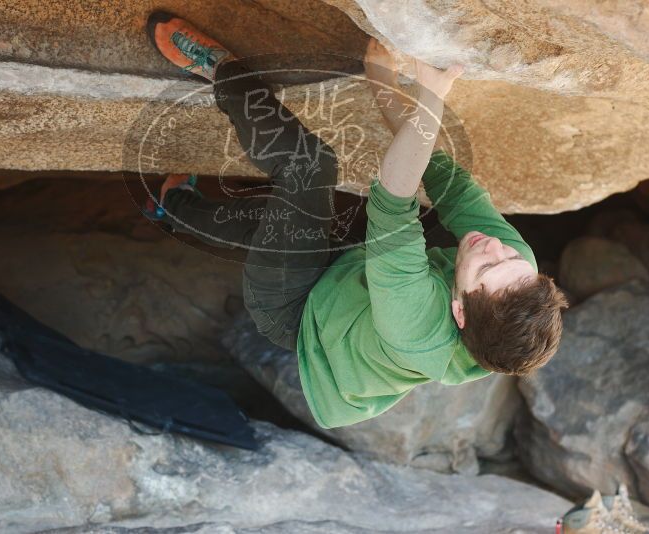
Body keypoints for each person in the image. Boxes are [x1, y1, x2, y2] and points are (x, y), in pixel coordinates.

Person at [144, 13, 569, 429]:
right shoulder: (517, 274)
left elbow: (392, 199)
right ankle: (173, 205)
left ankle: (221, 70)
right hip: (353, 280)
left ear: (459, 312)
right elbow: (445, 178)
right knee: (275, 230)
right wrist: (379, 80)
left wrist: (431, 100)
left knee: (308, 166)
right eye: (510, 256)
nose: (494, 247)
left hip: (298, 309)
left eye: (489, 266)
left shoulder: (415, 325)